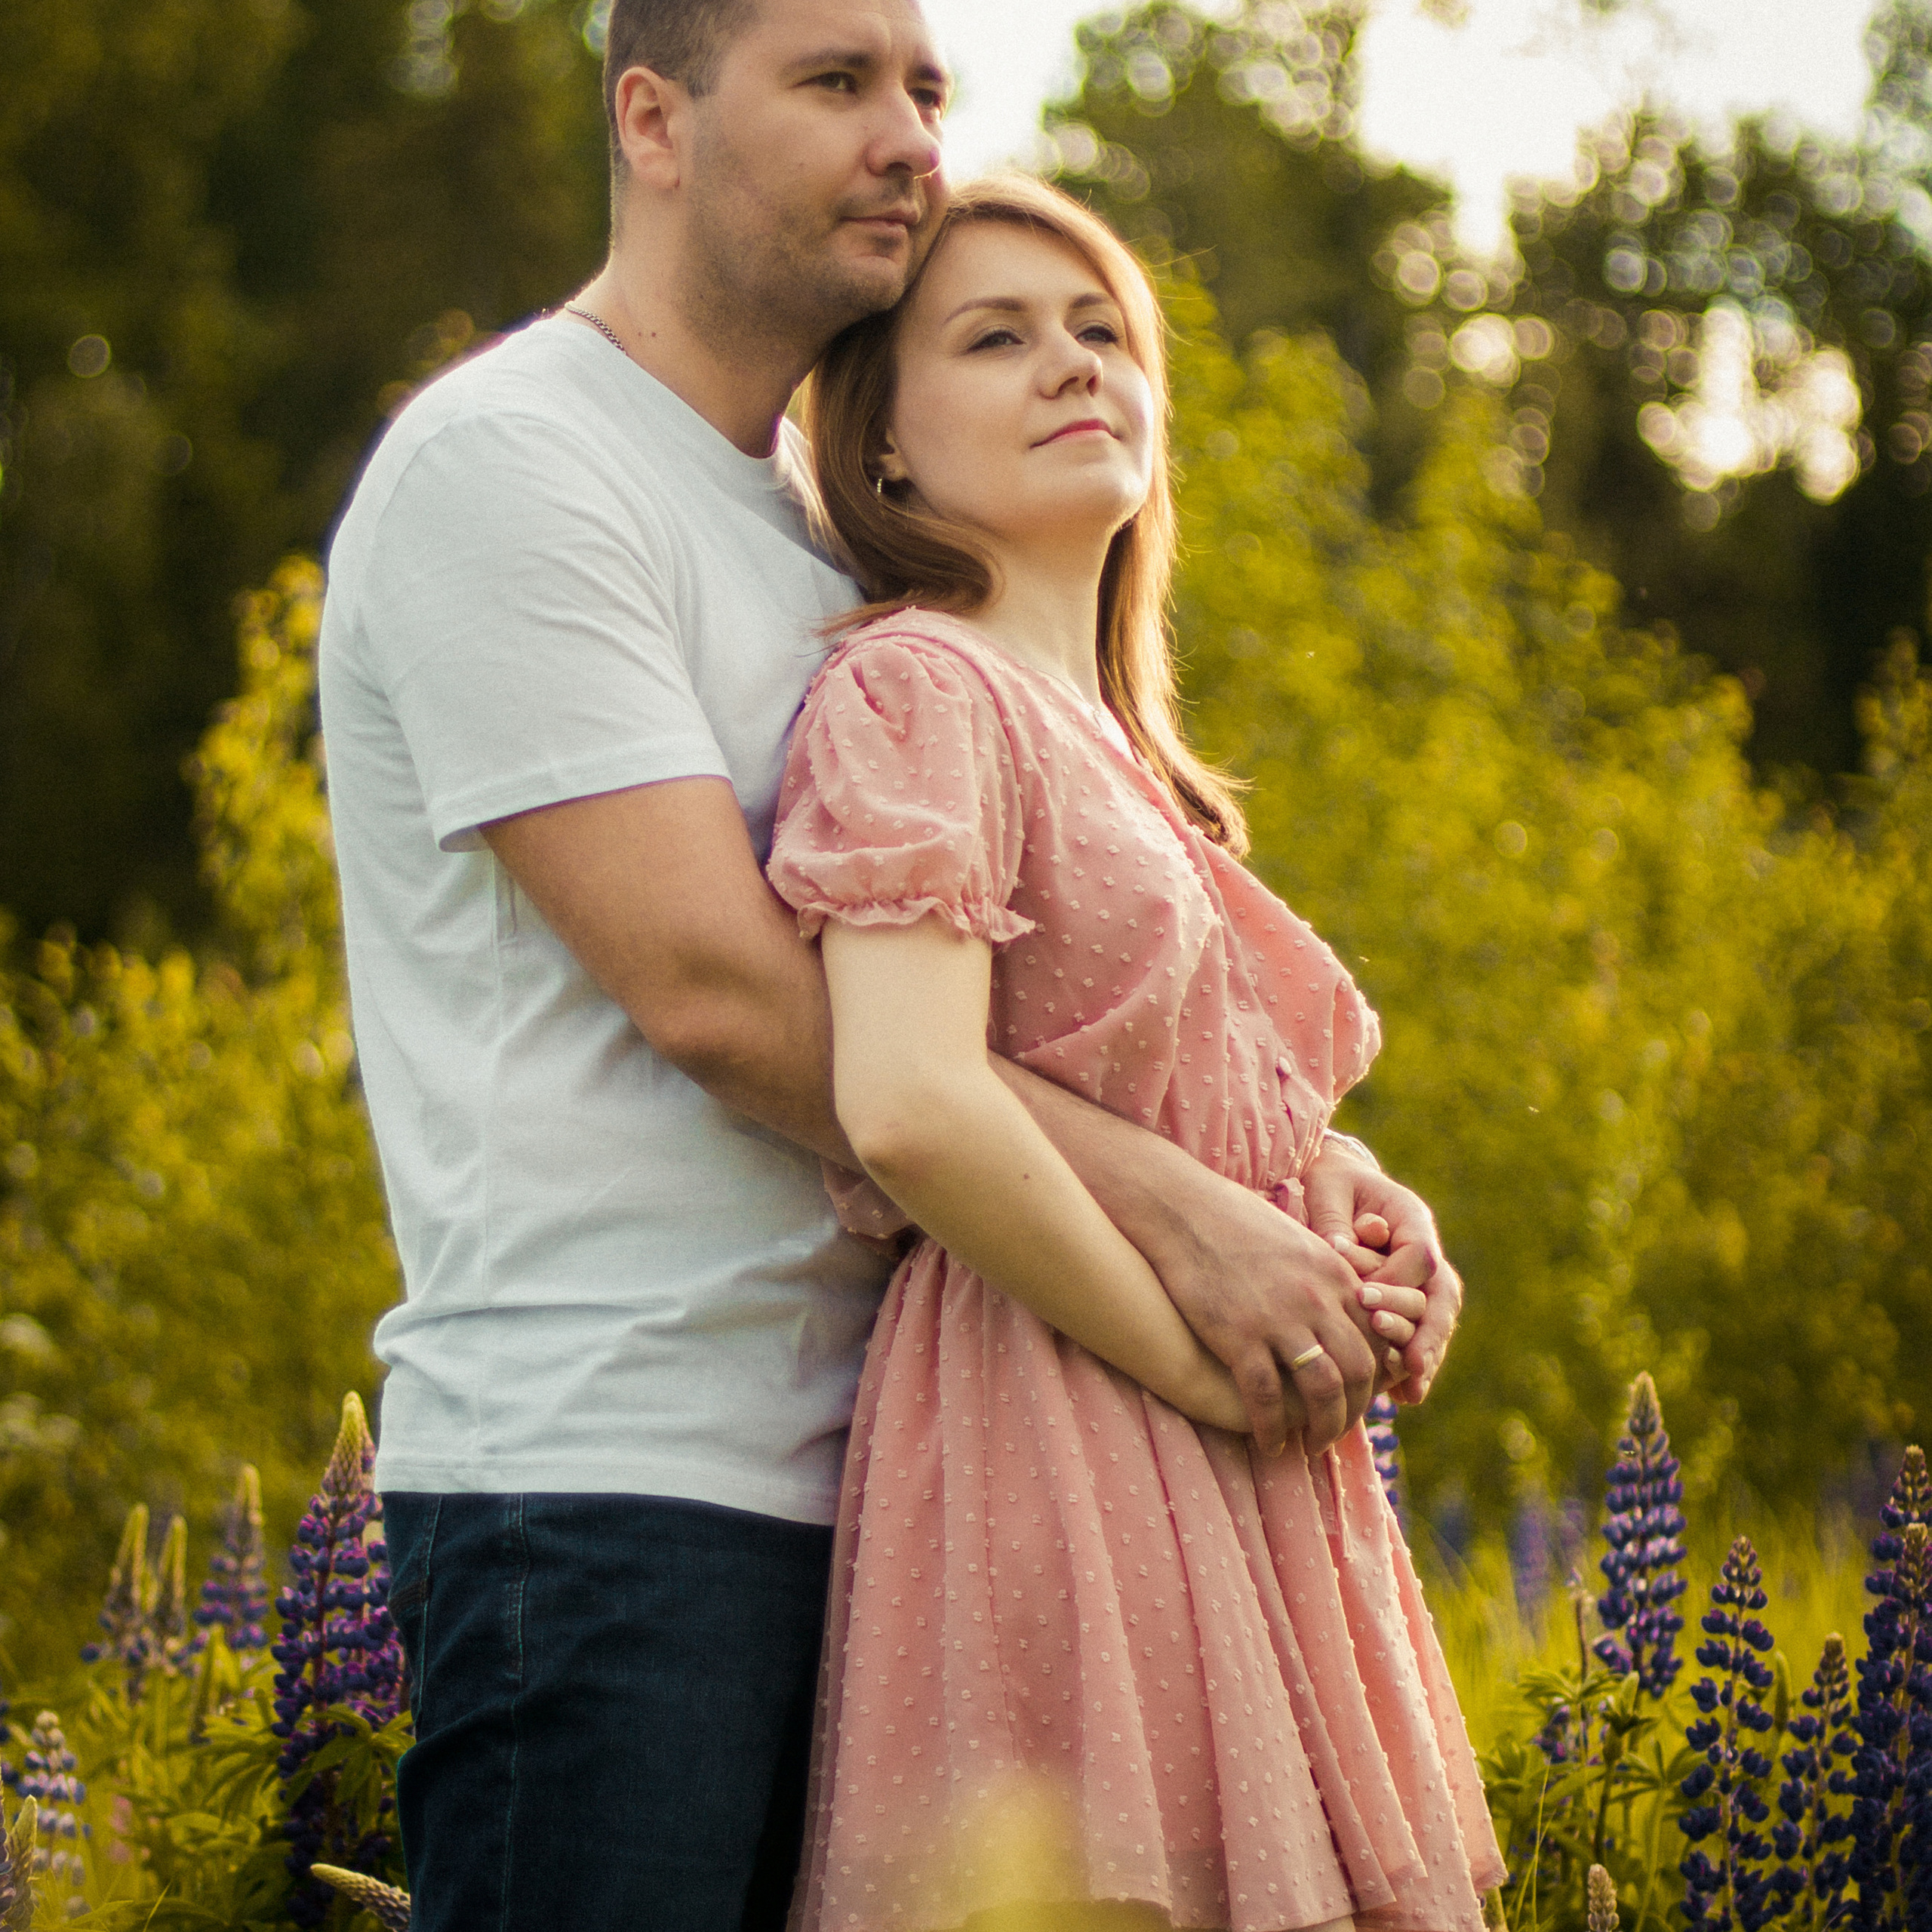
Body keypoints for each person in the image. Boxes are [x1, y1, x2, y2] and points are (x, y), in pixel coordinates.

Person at [317, 2, 1463, 1926]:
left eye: (926, 88)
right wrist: (1185, 1224)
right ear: (653, 119)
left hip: (904, 1468)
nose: (909, 137)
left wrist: (1310, 1191)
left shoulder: (822, 551)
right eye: (838, 83)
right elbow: (724, 994)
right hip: (614, 1481)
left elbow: (1041, 1006)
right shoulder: (510, 466)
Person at [766, 174, 1506, 1932]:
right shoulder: (914, 692)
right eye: (997, 336)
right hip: (1068, 1412)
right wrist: (1195, 1364)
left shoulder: (1131, 758)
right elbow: (912, 1101)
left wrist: (1346, 1199)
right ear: (883, 452)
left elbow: (1175, 1080)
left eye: (1102, 331)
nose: (1071, 363)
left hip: (1235, 1426)